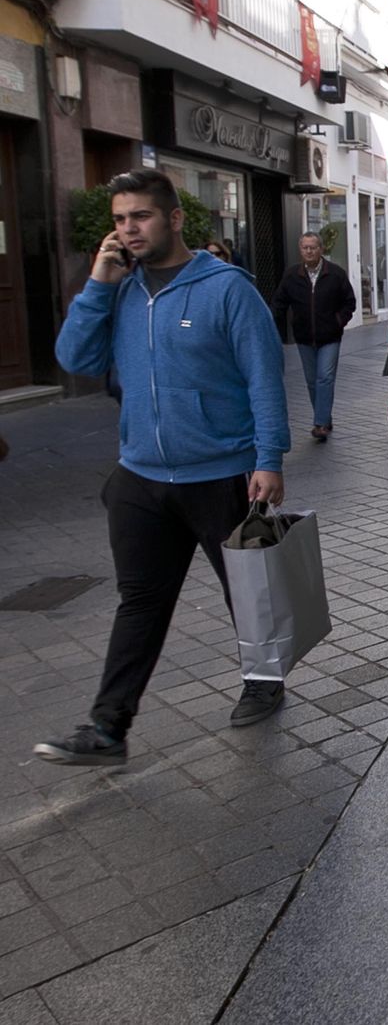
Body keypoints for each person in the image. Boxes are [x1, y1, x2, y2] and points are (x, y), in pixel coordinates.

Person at [35, 168, 291, 765]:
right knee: (140, 602)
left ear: (174, 218)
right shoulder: (120, 290)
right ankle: (108, 728)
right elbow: (75, 358)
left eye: (141, 217)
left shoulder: (227, 288)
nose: (129, 229)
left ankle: (264, 680)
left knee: (247, 593)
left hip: (221, 474)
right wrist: (98, 283)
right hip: (141, 478)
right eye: (120, 220)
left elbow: (264, 376)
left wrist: (268, 458)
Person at [272, 232, 356, 442]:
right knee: (312, 381)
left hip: (330, 337)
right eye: (305, 248)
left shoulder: (335, 274)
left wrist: (338, 321)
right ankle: (324, 417)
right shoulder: (292, 276)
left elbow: (350, 302)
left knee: (325, 378)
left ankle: (320, 423)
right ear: (300, 250)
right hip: (304, 337)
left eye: (313, 247)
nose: (309, 251)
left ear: (321, 249)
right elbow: (279, 304)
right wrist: (272, 324)